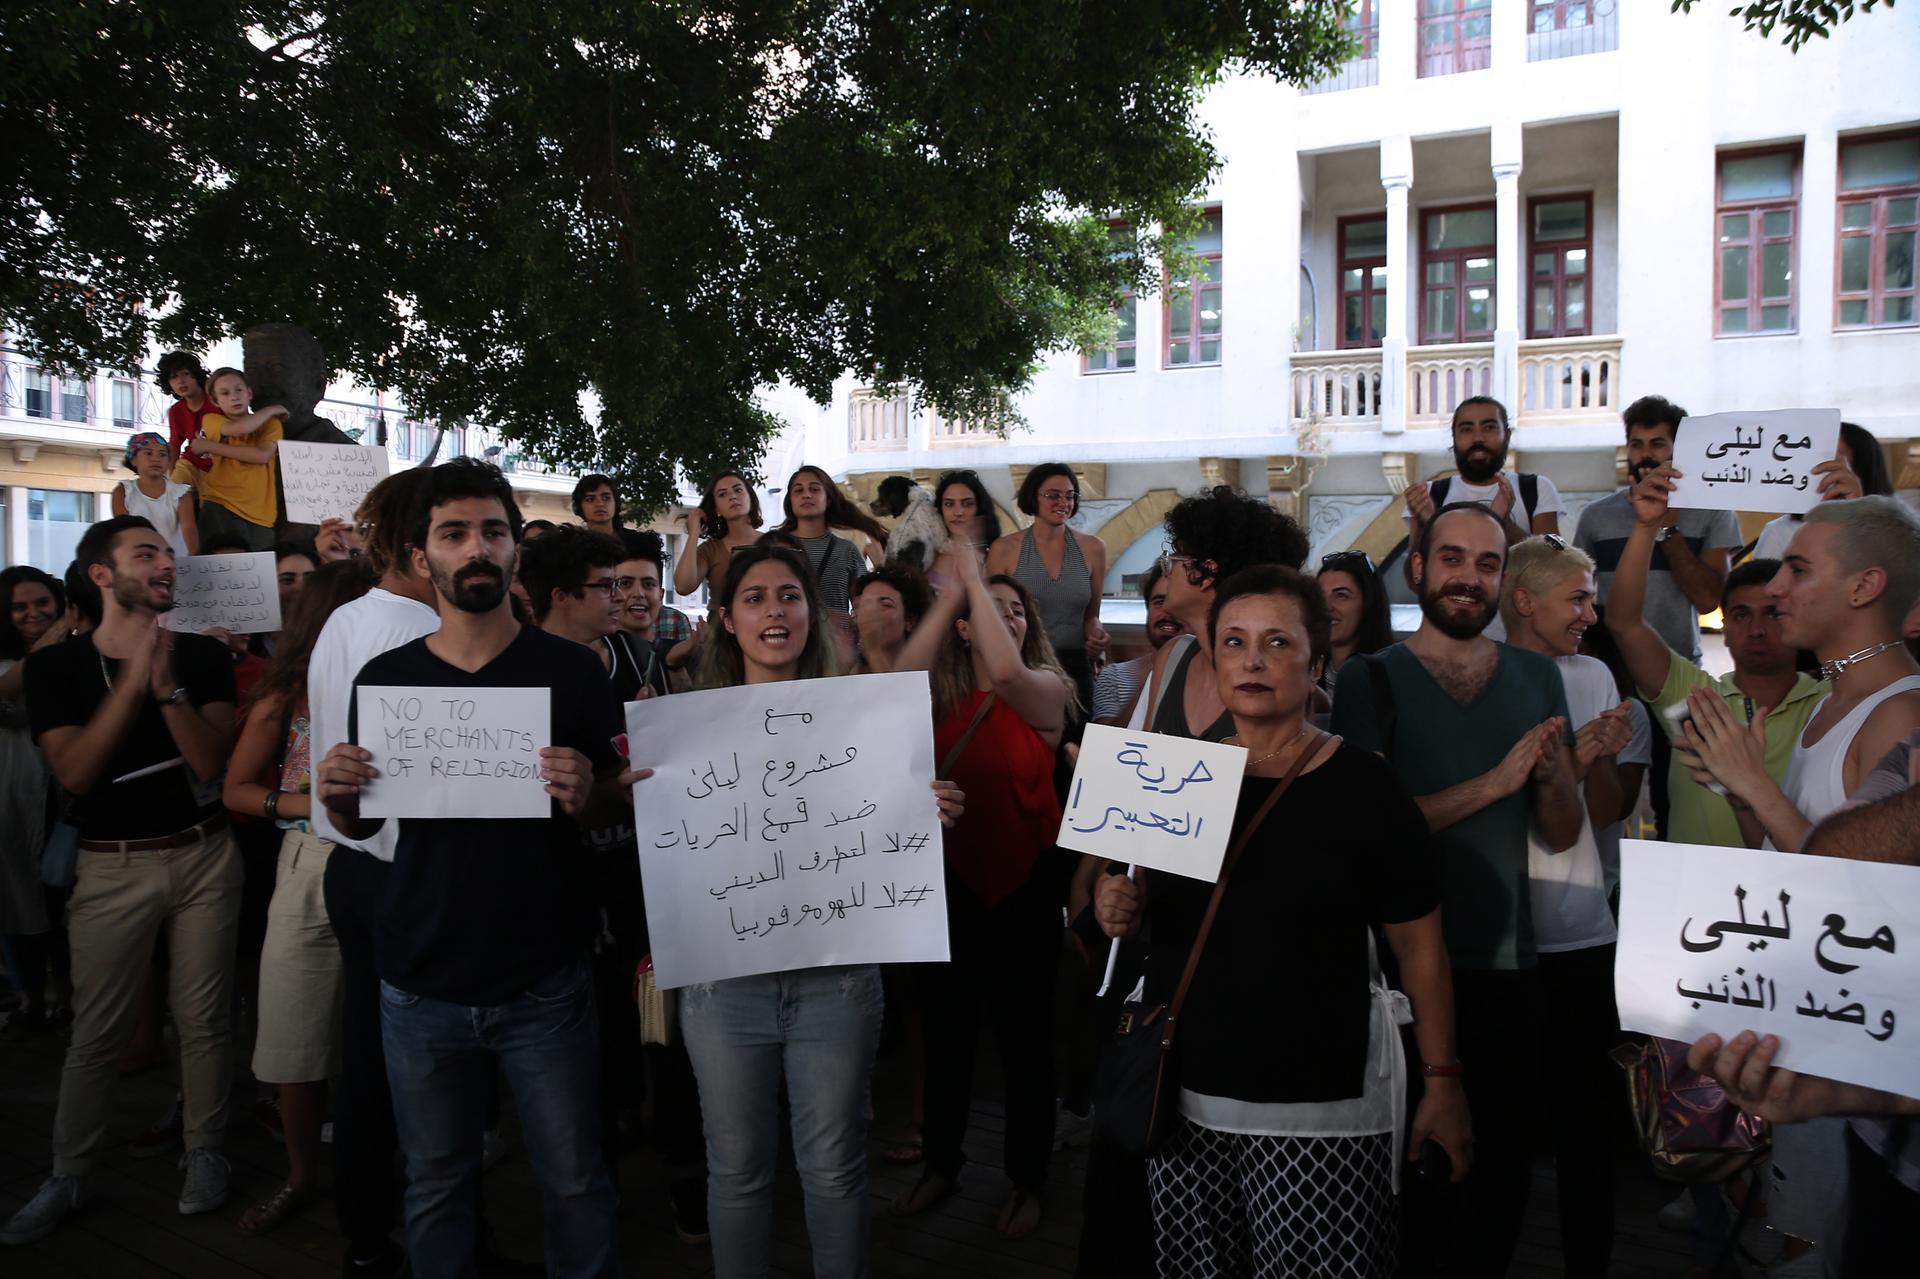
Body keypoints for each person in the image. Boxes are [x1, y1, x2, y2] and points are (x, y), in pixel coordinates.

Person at [1095, 565, 1470, 1276]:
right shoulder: (1173, 779)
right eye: (1233, 642)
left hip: (1321, 1110)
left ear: (1317, 664)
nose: (1253, 660)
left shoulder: (1367, 787)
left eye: (1277, 642)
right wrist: (1123, 905)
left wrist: (1443, 1081)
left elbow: (1420, 946)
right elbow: (1152, 908)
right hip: (1185, 1097)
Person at [315, 459, 627, 1279]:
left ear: (516, 549)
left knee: (575, 1178)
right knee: (435, 1181)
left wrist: (590, 793)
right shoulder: (386, 678)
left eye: (493, 530)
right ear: (422, 557)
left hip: (545, 973)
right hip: (420, 976)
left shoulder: (573, 671)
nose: (476, 547)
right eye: (453, 533)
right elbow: (363, 819)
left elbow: (614, 801)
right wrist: (338, 797)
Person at [653, 542, 961, 1277]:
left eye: (789, 595)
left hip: (838, 982)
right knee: (736, 1170)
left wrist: (930, 809)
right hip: (726, 988)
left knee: (834, 1167)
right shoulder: (682, 727)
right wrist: (636, 788)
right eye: (755, 597)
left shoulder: (866, 718)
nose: (774, 611)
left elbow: (884, 826)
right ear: (726, 619)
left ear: (812, 612)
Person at [1668, 495, 1920, 1279]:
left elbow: (1863, 905)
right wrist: (1739, 790)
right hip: (1812, 1031)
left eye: (1800, 569)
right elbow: (1780, 864)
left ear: (1865, 585)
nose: (1776, 588)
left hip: (1864, 1065)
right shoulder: (1832, 701)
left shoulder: (1898, 711)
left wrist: (1755, 786)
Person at [1331, 501, 1582, 1279]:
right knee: (1406, 1178)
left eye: (1487, 562)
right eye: (1452, 558)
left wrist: (1556, 778)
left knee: (1501, 1175)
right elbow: (1367, 832)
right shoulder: (1370, 678)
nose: (1469, 576)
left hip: (1507, 960)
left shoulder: (1539, 676)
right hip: (1397, 970)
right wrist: (1494, 783)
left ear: (1504, 580)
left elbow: (1562, 831)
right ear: (1418, 567)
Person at [1, 516, 240, 1246]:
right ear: (101, 574)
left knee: (203, 1020)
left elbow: (210, 763)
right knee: (97, 1031)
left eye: (168, 552)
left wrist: (167, 689)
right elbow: (75, 770)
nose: (167, 562)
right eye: (146, 553)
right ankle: (68, 1171)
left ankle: (205, 1149)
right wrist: (134, 679)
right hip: (110, 864)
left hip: (204, 855)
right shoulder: (56, 669)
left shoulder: (203, 655)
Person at [888, 548, 1073, 1237]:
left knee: (1026, 1042)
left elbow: (1007, 672)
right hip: (947, 885)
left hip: (1026, 890)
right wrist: (952, 598)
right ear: (964, 627)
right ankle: (941, 1163)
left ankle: (1027, 1178)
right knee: (947, 1036)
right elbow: (895, 680)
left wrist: (970, 580)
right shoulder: (932, 697)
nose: (1007, 619)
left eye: (1016, 610)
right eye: (991, 612)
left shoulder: (1045, 688)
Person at [305, 466, 442, 1279]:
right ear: (418, 545)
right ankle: (424, 1237)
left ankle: (366, 1233)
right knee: (419, 1069)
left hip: (355, 866)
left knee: (370, 1056)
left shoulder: (344, 619)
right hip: (402, 870)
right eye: (454, 531)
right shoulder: (411, 628)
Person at [1497, 537, 1638, 1279]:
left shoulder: (1594, 675)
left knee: (1588, 1127)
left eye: (1592, 599)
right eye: (1577, 598)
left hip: (1582, 930)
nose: (1590, 614)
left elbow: (1605, 812)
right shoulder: (1482, 672)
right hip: (1500, 937)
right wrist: (1575, 761)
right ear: (1525, 600)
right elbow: (1497, 811)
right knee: (1503, 1128)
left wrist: (1602, 753)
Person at [223, 557, 376, 1234]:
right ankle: (299, 1173)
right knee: (294, 1029)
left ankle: (385, 1171)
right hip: (309, 860)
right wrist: (307, 804)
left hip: (389, 861)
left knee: (389, 1029)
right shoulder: (288, 691)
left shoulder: (405, 681)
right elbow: (235, 789)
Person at [1572, 395, 1742, 665]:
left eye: (1658, 444)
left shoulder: (1713, 512)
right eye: (1636, 445)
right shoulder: (1596, 516)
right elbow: (1574, 593)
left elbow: (1708, 601)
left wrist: (1666, 526)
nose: (1646, 455)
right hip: (1611, 665)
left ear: (1679, 449)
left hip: (1680, 667)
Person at [1142, 486, 1311, 745]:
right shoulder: (1173, 656)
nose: (1166, 573)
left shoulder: (1272, 677)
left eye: (1172, 560)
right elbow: (1143, 754)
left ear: (1206, 573)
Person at [1402, 397, 1561, 640]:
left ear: (1506, 435)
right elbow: (1415, 581)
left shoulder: (1536, 488)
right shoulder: (1430, 495)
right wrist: (1429, 522)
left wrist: (1504, 524)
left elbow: (1556, 565)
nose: (1478, 438)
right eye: (1466, 429)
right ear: (1454, 438)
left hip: (1522, 644)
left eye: (1489, 427)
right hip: (1449, 643)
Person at [0, 567, 68, 1033]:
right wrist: (55, 636)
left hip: (63, 796)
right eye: (19, 607)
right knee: (16, 906)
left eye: (42, 603)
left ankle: (68, 1001)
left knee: (64, 907)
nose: (33, 614)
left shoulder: (80, 654)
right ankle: (29, 999)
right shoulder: (12, 661)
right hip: (13, 797)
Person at [986, 463, 1109, 707]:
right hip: (1025, 664)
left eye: (1070, 496)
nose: (1063, 503)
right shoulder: (1004, 550)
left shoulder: (1094, 548)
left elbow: (1091, 616)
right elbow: (993, 620)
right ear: (1033, 497)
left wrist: (1098, 636)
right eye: (1053, 495)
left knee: (1079, 731)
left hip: (1076, 666)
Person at [519, 525, 649, 699]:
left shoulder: (635, 655)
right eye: (605, 586)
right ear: (562, 597)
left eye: (616, 584)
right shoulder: (517, 673)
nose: (620, 597)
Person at [1750, 421, 1887, 562]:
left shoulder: (1889, 530)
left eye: (1832, 458)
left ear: (1862, 468)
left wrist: (1858, 511)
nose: (1822, 466)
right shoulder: (1780, 531)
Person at [188, 367, 288, 552]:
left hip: (260, 514)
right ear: (215, 401)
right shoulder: (211, 420)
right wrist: (272, 409)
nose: (234, 397)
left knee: (260, 569)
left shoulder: (271, 423)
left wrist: (209, 446)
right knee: (220, 567)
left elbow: (262, 455)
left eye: (239, 390)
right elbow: (239, 429)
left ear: (249, 393)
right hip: (220, 505)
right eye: (225, 393)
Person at [773, 464, 890, 612]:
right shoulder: (775, 548)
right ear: (790, 501)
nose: (806, 495)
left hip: (835, 627)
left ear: (828, 499)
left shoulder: (846, 550)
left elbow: (862, 604)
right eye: (798, 490)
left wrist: (880, 566)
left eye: (814, 489)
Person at [1089, 559, 1183, 723]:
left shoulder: (1216, 677)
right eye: (1159, 602)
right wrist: (1154, 681)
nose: (1167, 611)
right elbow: (1105, 737)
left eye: (1178, 603)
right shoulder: (1114, 678)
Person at [1317, 549, 1394, 701]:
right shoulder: (1302, 676)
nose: (1326, 606)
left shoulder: (1394, 676)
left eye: (1341, 595)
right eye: (1319, 595)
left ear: (1368, 604)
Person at [676, 469, 765, 600]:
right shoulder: (710, 550)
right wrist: (694, 533)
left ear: (750, 498)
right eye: (722, 494)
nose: (733, 496)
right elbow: (683, 587)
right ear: (716, 508)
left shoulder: (774, 543)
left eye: (738, 490)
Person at [112, 432, 198, 558]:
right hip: (139, 561)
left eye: (162, 454)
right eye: (148, 453)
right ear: (134, 459)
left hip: (174, 561)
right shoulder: (123, 492)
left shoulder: (181, 494)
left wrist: (192, 560)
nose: (156, 459)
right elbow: (124, 532)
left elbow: (188, 528)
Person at [927, 469, 1003, 588]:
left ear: (980, 507)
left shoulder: (996, 556)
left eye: (967, 504)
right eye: (949, 504)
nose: (958, 512)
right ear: (939, 509)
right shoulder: (926, 556)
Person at [852, 564, 932, 674]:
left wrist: (874, 650)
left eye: (886, 605)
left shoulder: (928, 673)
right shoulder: (847, 670)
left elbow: (893, 685)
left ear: (910, 621)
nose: (871, 613)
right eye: (865, 604)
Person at [157, 351, 217, 478]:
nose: (181, 381)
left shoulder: (217, 401)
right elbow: (174, 445)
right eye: (174, 377)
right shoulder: (175, 411)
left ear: (196, 375)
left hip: (222, 464)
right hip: (191, 464)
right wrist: (171, 477)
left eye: (186, 374)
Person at [571, 473, 623, 538]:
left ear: (616, 502)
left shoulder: (634, 540)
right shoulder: (572, 542)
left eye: (606, 498)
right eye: (590, 499)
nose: (600, 504)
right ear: (579, 506)